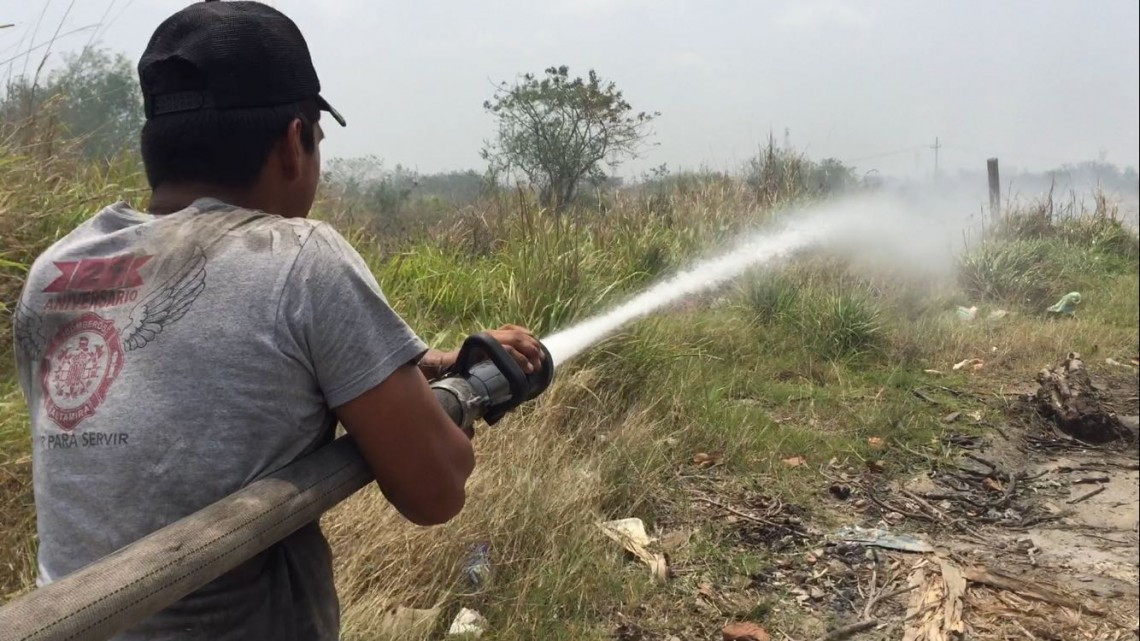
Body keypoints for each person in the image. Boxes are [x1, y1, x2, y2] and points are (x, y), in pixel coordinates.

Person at [11, 1, 543, 639]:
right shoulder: (297, 256)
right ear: (295, 144)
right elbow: (435, 489)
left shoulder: (56, 272)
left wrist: (425, 367)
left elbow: (187, 387)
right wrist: (470, 397)